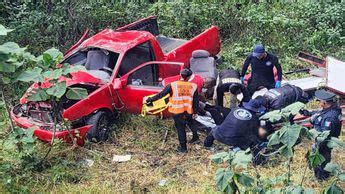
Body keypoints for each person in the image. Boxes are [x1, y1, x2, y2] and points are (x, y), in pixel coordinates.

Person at [144, 68, 199, 153]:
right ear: (189, 77)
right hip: (188, 110)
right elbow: (196, 101)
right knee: (191, 123)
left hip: (177, 110)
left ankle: (183, 148)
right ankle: (195, 138)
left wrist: (150, 99)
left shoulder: (172, 85)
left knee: (181, 129)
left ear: (180, 75)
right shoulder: (193, 86)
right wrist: (195, 112)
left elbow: (161, 95)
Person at [299, 89, 342, 180]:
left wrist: (317, 146)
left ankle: (321, 177)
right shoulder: (328, 109)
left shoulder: (330, 117)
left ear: (324, 102)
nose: (318, 102)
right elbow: (318, 113)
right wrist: (306, 112)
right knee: (318, 159)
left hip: (323, 143)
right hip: (319, 141)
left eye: (320, 101)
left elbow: (325, 134)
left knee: (322, 160)